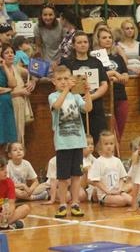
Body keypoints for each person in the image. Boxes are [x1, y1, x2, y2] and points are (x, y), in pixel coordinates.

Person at [49, 65, 93, 219]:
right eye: (60, 79)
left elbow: (87, 108)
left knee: (76, 175)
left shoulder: (75, 96)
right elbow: (57, 106)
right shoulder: (53, 96)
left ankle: (75, 203)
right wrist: (67, 89)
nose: (63, 81)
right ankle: (62, 204)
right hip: (63, 143)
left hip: (77, 142)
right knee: (63, 177)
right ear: (54, 81)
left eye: (66, 78)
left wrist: (87, 92)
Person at [61, 32, 108, 144]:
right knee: (78, 139)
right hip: (75, 106)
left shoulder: (96, 62)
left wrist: (92, 97)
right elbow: (63, 84)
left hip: (95, 105)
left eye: (85, 42)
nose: (83, 44)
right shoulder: (68, 63)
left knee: (98, 138)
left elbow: (104, 84)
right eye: (79, 42)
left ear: (89, 44)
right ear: (73, 45)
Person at [94, 27, 129, 140]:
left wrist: (117, 78)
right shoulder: (94, 58)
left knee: (120, 129)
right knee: (110, 130)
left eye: (110, 37)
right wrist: (114, 73)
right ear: (98, 40)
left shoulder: (118, 57)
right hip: (105, 97)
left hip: (121, 95)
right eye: (104, 38)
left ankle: (117, 149)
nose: (108, 40)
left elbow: (125, 76)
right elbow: (98, 75)